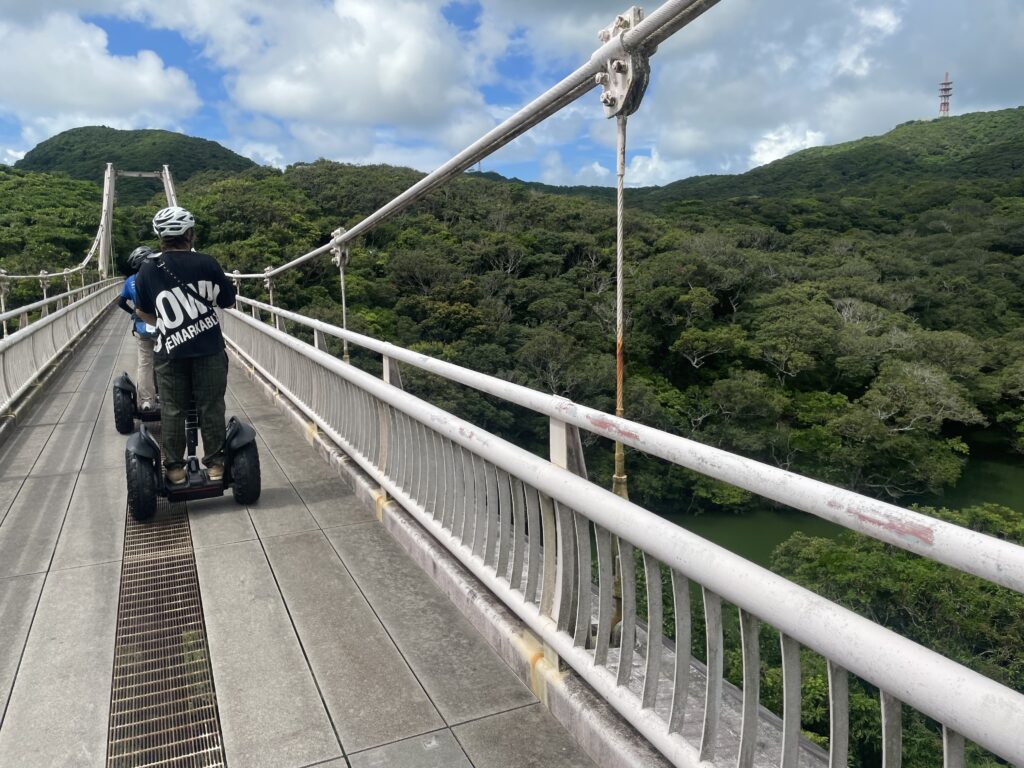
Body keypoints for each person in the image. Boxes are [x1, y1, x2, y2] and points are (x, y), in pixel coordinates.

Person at [134, 206, 237, 485]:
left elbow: (143, 312)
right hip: (209, 350)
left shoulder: (148, 268)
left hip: (170, 352)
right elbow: (228, 301)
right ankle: (216, 467)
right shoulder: (208, 263)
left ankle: (175, 470)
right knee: (211, 407)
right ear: (190, 234)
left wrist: (169, 320)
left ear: (160, 236)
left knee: (172, 409)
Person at [117, 245, 159, 411]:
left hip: (142, 327)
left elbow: (121, 302)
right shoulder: (159, 277)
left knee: (145, 363)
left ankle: (147, 400)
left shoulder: (130, 280)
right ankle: (169, 395)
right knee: (166, 360)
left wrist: (133, 312)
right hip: (162, 326)